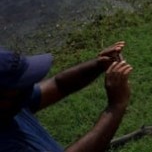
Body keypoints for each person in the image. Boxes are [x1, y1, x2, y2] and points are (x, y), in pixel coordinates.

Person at [0, 42, 133, 151]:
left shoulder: (13, 104)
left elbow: (58, 85)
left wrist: (98, 65)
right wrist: (116, 106)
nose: (29, 86)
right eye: (22, 83)